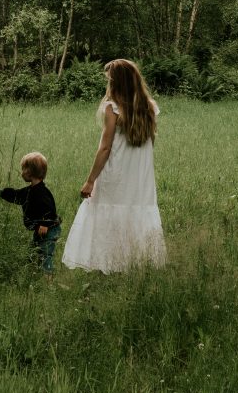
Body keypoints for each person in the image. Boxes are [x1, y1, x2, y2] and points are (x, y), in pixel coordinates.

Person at [62, 58, 166, 273]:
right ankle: (135, 263)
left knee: (110, 214)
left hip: (116, 174)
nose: (108, 83)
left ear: (117, 82)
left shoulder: (112, 108)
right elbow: (150, 144)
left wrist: (90, 180)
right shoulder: (150, 107)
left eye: (109, 79)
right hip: (140, 177)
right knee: (134, 213)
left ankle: (110, 264)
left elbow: (105, 148)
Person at [0, 152, 61, 274]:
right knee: (34, 251)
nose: (21, 172)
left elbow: (50, 209)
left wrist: (44, 223)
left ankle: (48, 279)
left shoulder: (42, 192)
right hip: (40, 229)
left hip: (49, 229)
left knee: (45, 254)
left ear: (30, 172)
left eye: (23, 169)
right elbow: (15, 195)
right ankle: (33, 272)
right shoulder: (29, 191)